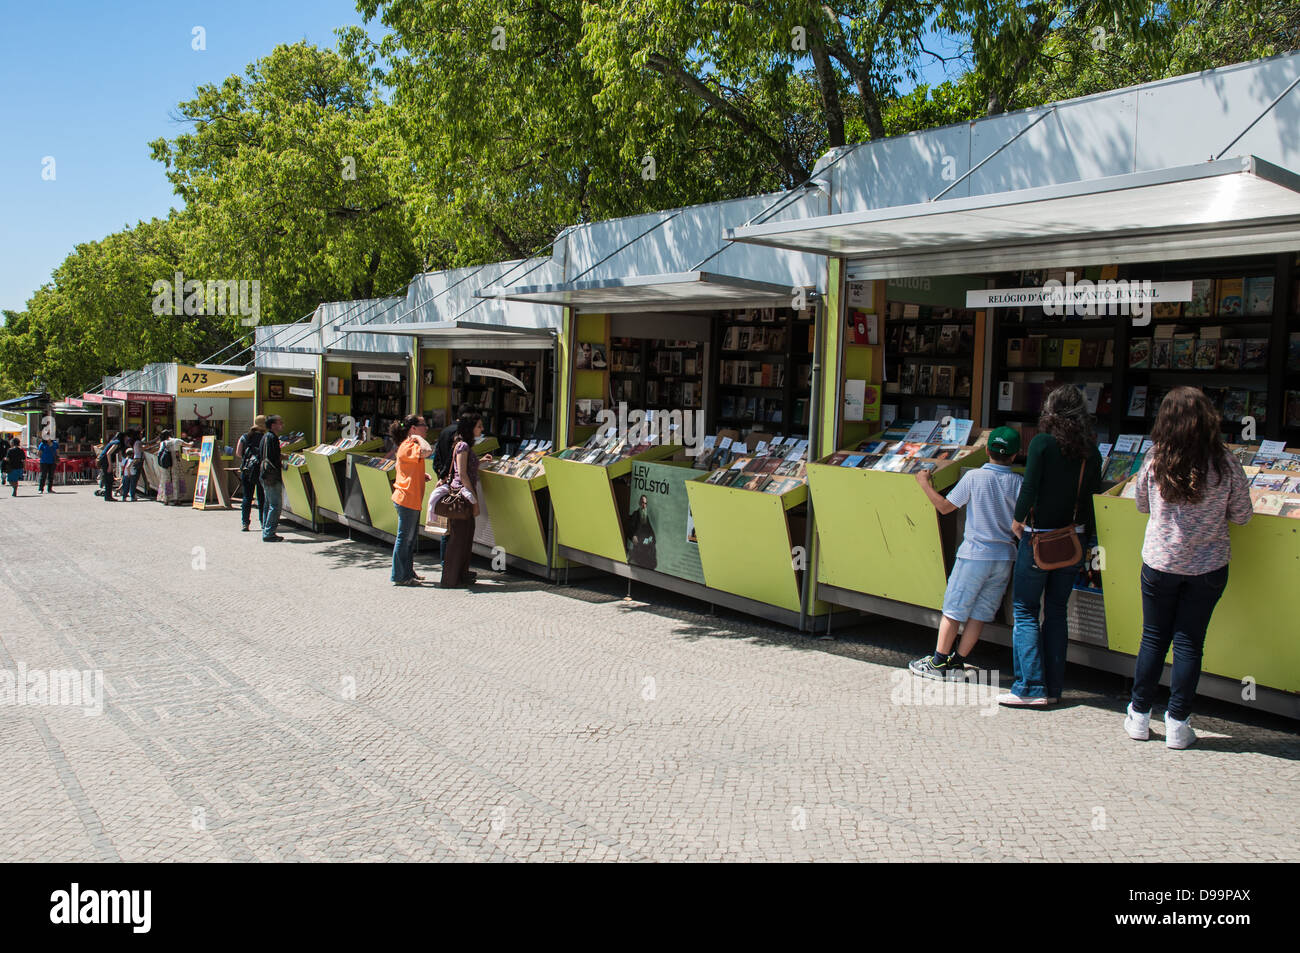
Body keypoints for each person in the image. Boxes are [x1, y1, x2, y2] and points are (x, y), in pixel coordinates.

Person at [1125, 387, 1253, 749]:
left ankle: (1138, 715)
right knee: (1189, 643)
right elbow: (1243, 516)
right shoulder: (1226, 462)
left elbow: (1140, 506)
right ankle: (1178, 724)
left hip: (1160, 563)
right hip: (1208, 567)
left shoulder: (1154, 458)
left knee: (1153, 637)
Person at [999, 385, 1102, 707]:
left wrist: (1017, 521)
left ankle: (1030, 688)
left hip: (1038, 537)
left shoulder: (1043, 443)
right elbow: (1089, 501)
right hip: (1072, 540)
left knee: (1026, 610)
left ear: (1050, 411)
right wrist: (1088, 540)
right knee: (1057, 612)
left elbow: (1029, 487)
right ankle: (1054, 688)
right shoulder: (1092, 452)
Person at [909, 427, 1023, 679]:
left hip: (974, 555)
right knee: (981, 613)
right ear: (1016, 456)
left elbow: (945, 507)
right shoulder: (1018, 482)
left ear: (986, 450)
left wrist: (924, 483)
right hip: (1005, 557)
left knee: (954, 609)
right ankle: (958, 661)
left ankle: (938, 662)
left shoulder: (974, 477)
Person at [440, 412, 483, 588]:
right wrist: (474, 499)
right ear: (470, 428)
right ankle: (451, 578)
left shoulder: (463, 445)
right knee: (459, 537)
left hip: (463, 493)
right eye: (479, 426)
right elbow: (463, 474)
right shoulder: (463, 446)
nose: (482, 429)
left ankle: (460, 575)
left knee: (465, 535)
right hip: (462, 495)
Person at [390, 414, 433, 586]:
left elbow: (405, 468)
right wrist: (416, 437)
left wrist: (420, 476)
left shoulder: (409, 445)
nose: (427, 428)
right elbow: (428, 451)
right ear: (413, 428)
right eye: (423, 425)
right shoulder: (409, 444)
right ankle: (400, 575)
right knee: (404, 538)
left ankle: (407, 572)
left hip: (411, 498)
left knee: (409, 539)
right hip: (407, 499)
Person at [234, 416, 268, 532]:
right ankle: (263, 522)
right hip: (260, 470)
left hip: (247, 470)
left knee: (247, 497)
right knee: (262, 497)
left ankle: (245, 523)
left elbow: (238, 453)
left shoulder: (245, 437)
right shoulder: (265, 438)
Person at [260, 415, 285, 542]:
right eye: (280, 422)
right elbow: (274, 457)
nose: (282, 425)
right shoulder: (273, 438)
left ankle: (265, 528)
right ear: (273, 425)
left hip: (264, 474)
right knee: (275, 505)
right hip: (272, 475)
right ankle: (269, 533)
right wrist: (283, 459)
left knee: (268, 503)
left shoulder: (265, 437)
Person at [155, 429, 191, 505]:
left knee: (166, 481)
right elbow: (189, 445)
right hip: (175, 463)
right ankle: (176, 499)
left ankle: (166, 499)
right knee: (176, 480)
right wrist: (193, 442)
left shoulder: (163, 443)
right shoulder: (177, 441)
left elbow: (159, 453)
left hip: (166, 464)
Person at [625, 495, 658, 569]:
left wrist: (651, 539)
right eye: (642, 503)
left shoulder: (646, 516)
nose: (644, 505)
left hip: (646, 543)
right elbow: (630, 529)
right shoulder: (635, 514)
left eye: (645, 503)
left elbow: (651, 531)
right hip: (639, 544)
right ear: (639, 503)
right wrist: (633, 536)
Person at [99, 432, 122, 502]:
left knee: (109, 478)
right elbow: (108, 453)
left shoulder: (115, 442)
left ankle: (108, 496)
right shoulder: (117, 443)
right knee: (108, 478)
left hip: (104, 460)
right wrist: (110, 465)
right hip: (105, 461)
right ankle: (108, 496)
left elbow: (120, 457)